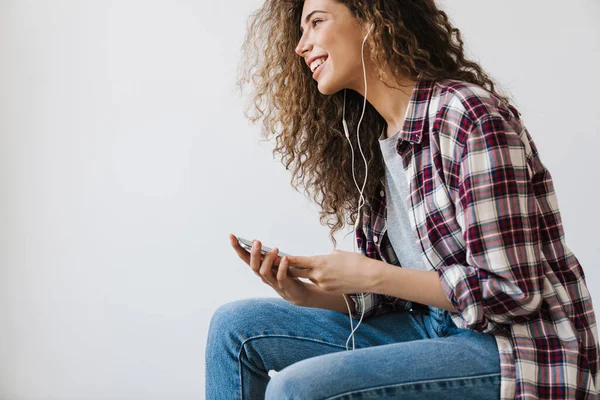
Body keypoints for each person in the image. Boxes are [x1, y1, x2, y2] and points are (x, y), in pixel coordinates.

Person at [205, 0, 599, 398]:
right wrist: (307, 294)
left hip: (512, 348)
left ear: (373, 20)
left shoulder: (468, 116)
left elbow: (513, 291)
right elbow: (398, 292)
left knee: (298, 388)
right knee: (233, 328)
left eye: (316, 23)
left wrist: (368, 273)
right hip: (432, 328)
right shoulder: (374, 139)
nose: (300, 45)